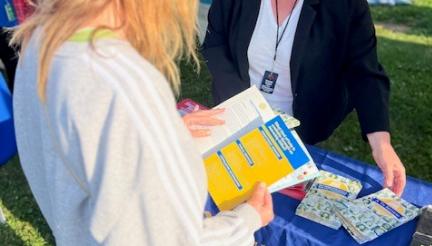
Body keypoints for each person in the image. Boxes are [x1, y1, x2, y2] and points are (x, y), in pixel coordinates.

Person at [12, 0, 273, 245]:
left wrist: (162, 133)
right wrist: (246, 220)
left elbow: (81, 152)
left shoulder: (40, 40)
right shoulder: (122, 84)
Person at [202, 0, 406, 195]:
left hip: (301, 123)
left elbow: (364, 71)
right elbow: (214, 44)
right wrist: (242, 105)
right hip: (239, 115)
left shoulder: (345, 4)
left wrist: (381, 144)